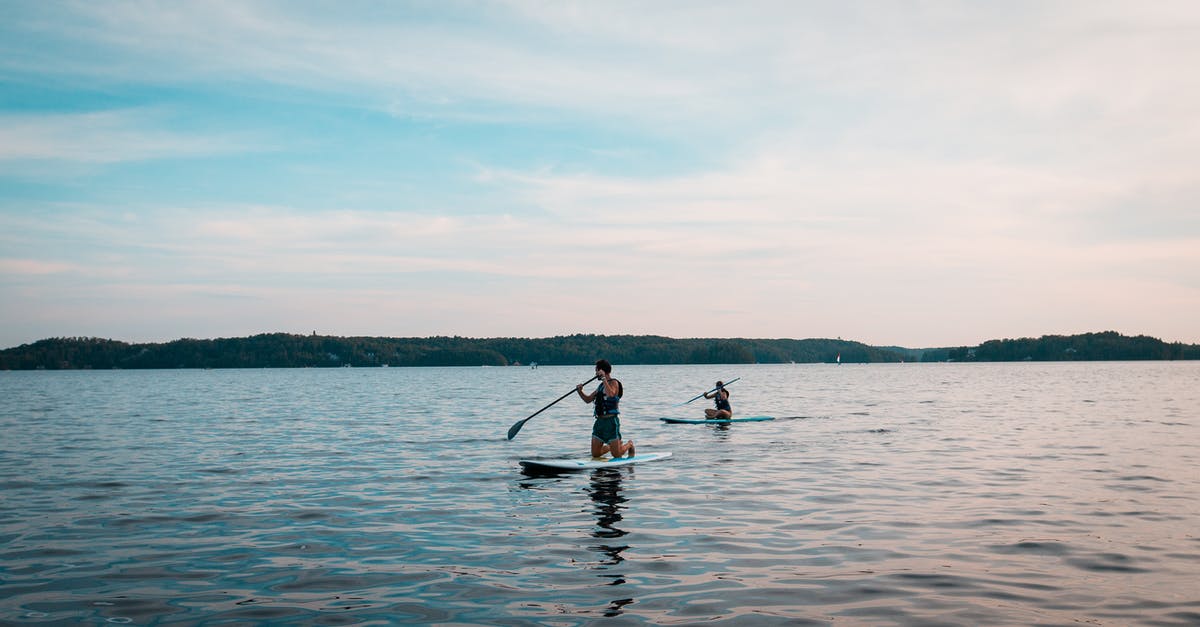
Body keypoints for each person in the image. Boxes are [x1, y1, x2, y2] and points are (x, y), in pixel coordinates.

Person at [576, 359, 635, 459]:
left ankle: (629, 444)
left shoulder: (614, 383)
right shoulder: (600, 386)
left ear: (602, 371)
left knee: (617, 455)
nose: (595, 374)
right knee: (595, 454)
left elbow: (611, 394)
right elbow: (588, 399)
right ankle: (610, 446)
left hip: (611, 422)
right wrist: (580, 391)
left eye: (596, 371)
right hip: (599, 422)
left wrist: (603, 378)